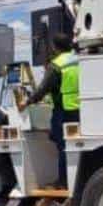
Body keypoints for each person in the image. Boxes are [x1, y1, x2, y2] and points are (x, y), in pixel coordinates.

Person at [26, 31, 80, 185]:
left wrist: (28, 101)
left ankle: (64, 181)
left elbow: (43, 89)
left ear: (55, 47)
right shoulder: (80, 60)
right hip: (83, 108)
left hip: (65, 109)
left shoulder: (57, 65)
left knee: (63, 144)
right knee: (76, 144)